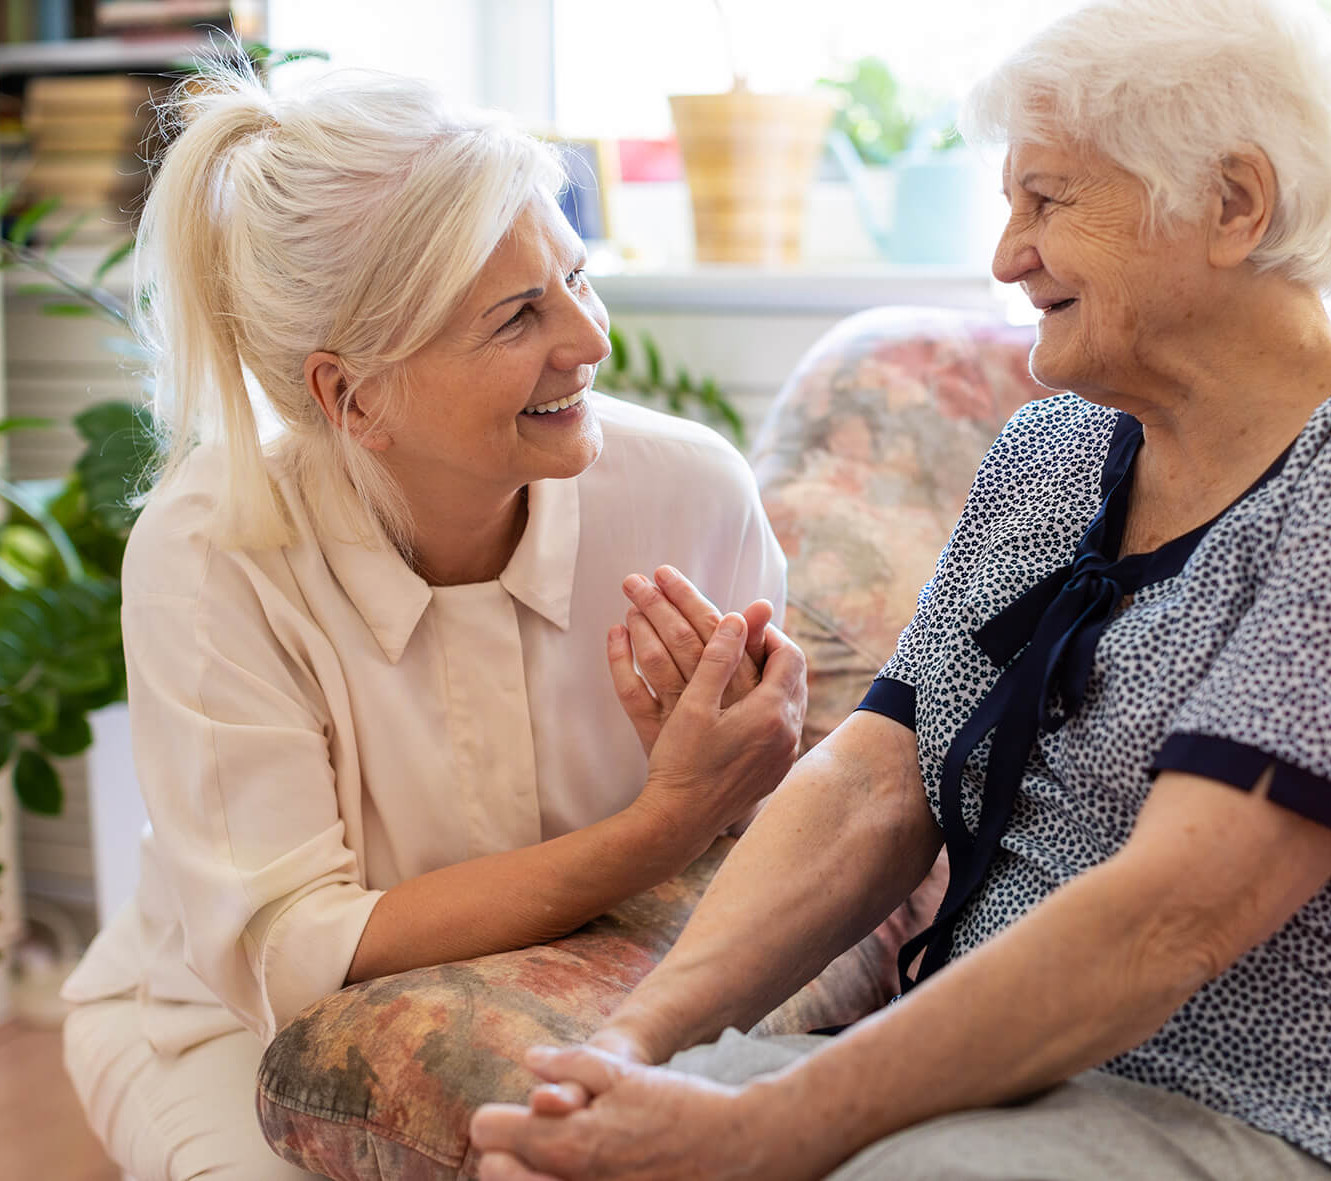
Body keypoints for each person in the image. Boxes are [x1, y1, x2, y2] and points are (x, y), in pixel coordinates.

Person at [467, 1, 1331, 1178]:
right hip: (1022, 1085)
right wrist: (637, 1045)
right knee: (554, 1156)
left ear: (1233, 204)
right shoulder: (1053, 454)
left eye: (1046, 200)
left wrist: (775, 1126)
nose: (1005, 254)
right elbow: (873, 783)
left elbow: (1176, 911)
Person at [57, 62, 804, 1180]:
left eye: (577, 278)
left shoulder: (687, 492)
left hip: (575, 991)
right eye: (518, 316)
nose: (590, 342)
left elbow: (780, 821)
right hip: (225, 1029)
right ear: (349, 397)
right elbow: (298, 955)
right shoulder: (209, 552)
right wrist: (665, 821)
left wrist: (750, 773)